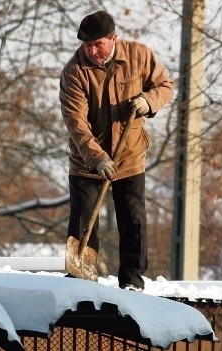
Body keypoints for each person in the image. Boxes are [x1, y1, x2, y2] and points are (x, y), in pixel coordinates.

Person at [60, 10, 174, 291]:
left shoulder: (139, 56)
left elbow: (164, 85)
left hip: (130, 154)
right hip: (87, 161)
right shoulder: (74, 72)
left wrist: (149, 101)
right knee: (83, 221)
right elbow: (76, 124)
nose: (92, 51)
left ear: (113, 38)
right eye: (87, 45)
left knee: (133, 216)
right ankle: (80, 279)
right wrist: (97, 158)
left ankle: (133, 278)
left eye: (98, 44)